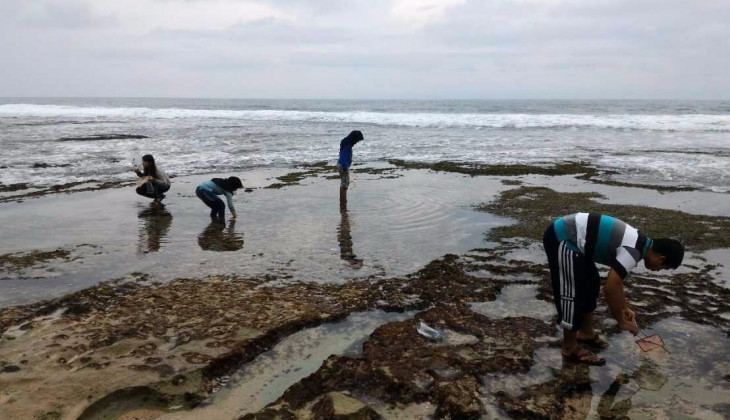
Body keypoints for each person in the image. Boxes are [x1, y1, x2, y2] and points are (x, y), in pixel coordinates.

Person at [542, 213, 684, 365]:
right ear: (661, 259)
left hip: (577, 243)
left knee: (592, 284)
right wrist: (621, 321)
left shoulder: (641, 243)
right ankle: (569, 348)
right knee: (572, 294)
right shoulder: (633, 251)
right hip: (563, 237)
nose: (658, 270)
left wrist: (624, 308)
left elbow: (616, 284)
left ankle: (586, 333)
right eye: (663, 268)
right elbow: (610, 287)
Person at [336, 130, 364, 209]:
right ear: (354, 138)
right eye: (357, 140)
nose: (356, 142)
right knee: (344, 185)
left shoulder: (345, 143)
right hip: (343, 166)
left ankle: (343, 201)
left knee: (344, 184)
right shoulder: (347, 146)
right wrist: (345, 168)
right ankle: (343, 202)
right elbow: (343, 157)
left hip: (341, 165)